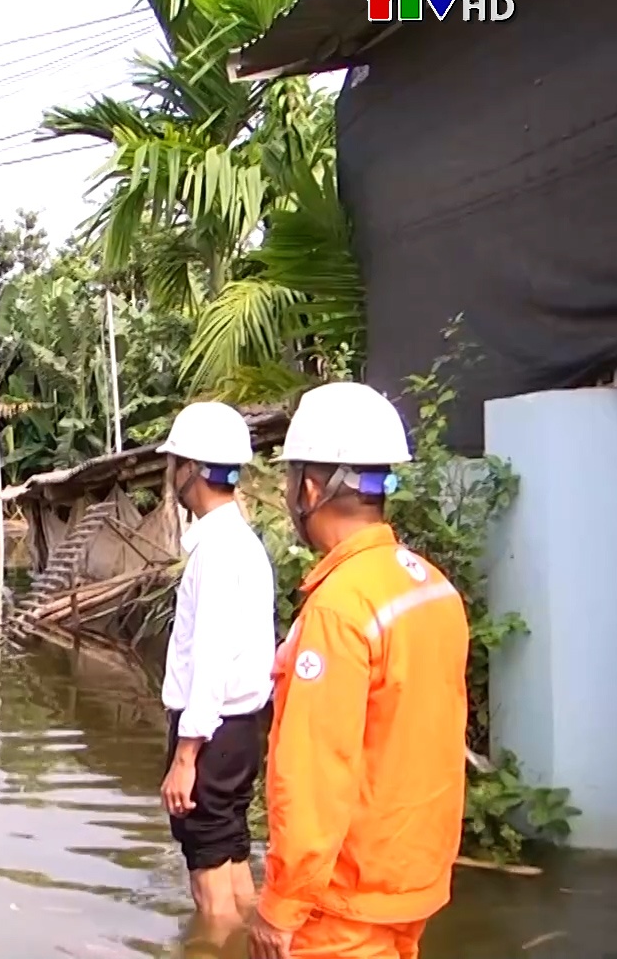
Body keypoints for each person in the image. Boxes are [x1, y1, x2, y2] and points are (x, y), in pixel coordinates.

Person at [247, 382, 469, 959]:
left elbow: (316, 772)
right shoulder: (432, 587)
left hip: (346, 900)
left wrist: (282, 904)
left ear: (311, 489)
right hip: (413, 881)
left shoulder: (341, 607)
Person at [155, 401, 277, 933]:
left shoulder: (215, 552)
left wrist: (186, 755)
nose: (171, 475)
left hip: (211, 730)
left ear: (191, 470)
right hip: (242, 729)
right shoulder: (245, 544)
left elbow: (210, 658)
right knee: (229, 847)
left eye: (175, 463)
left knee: (206, 867)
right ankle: (252, 941)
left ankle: (217, 947)